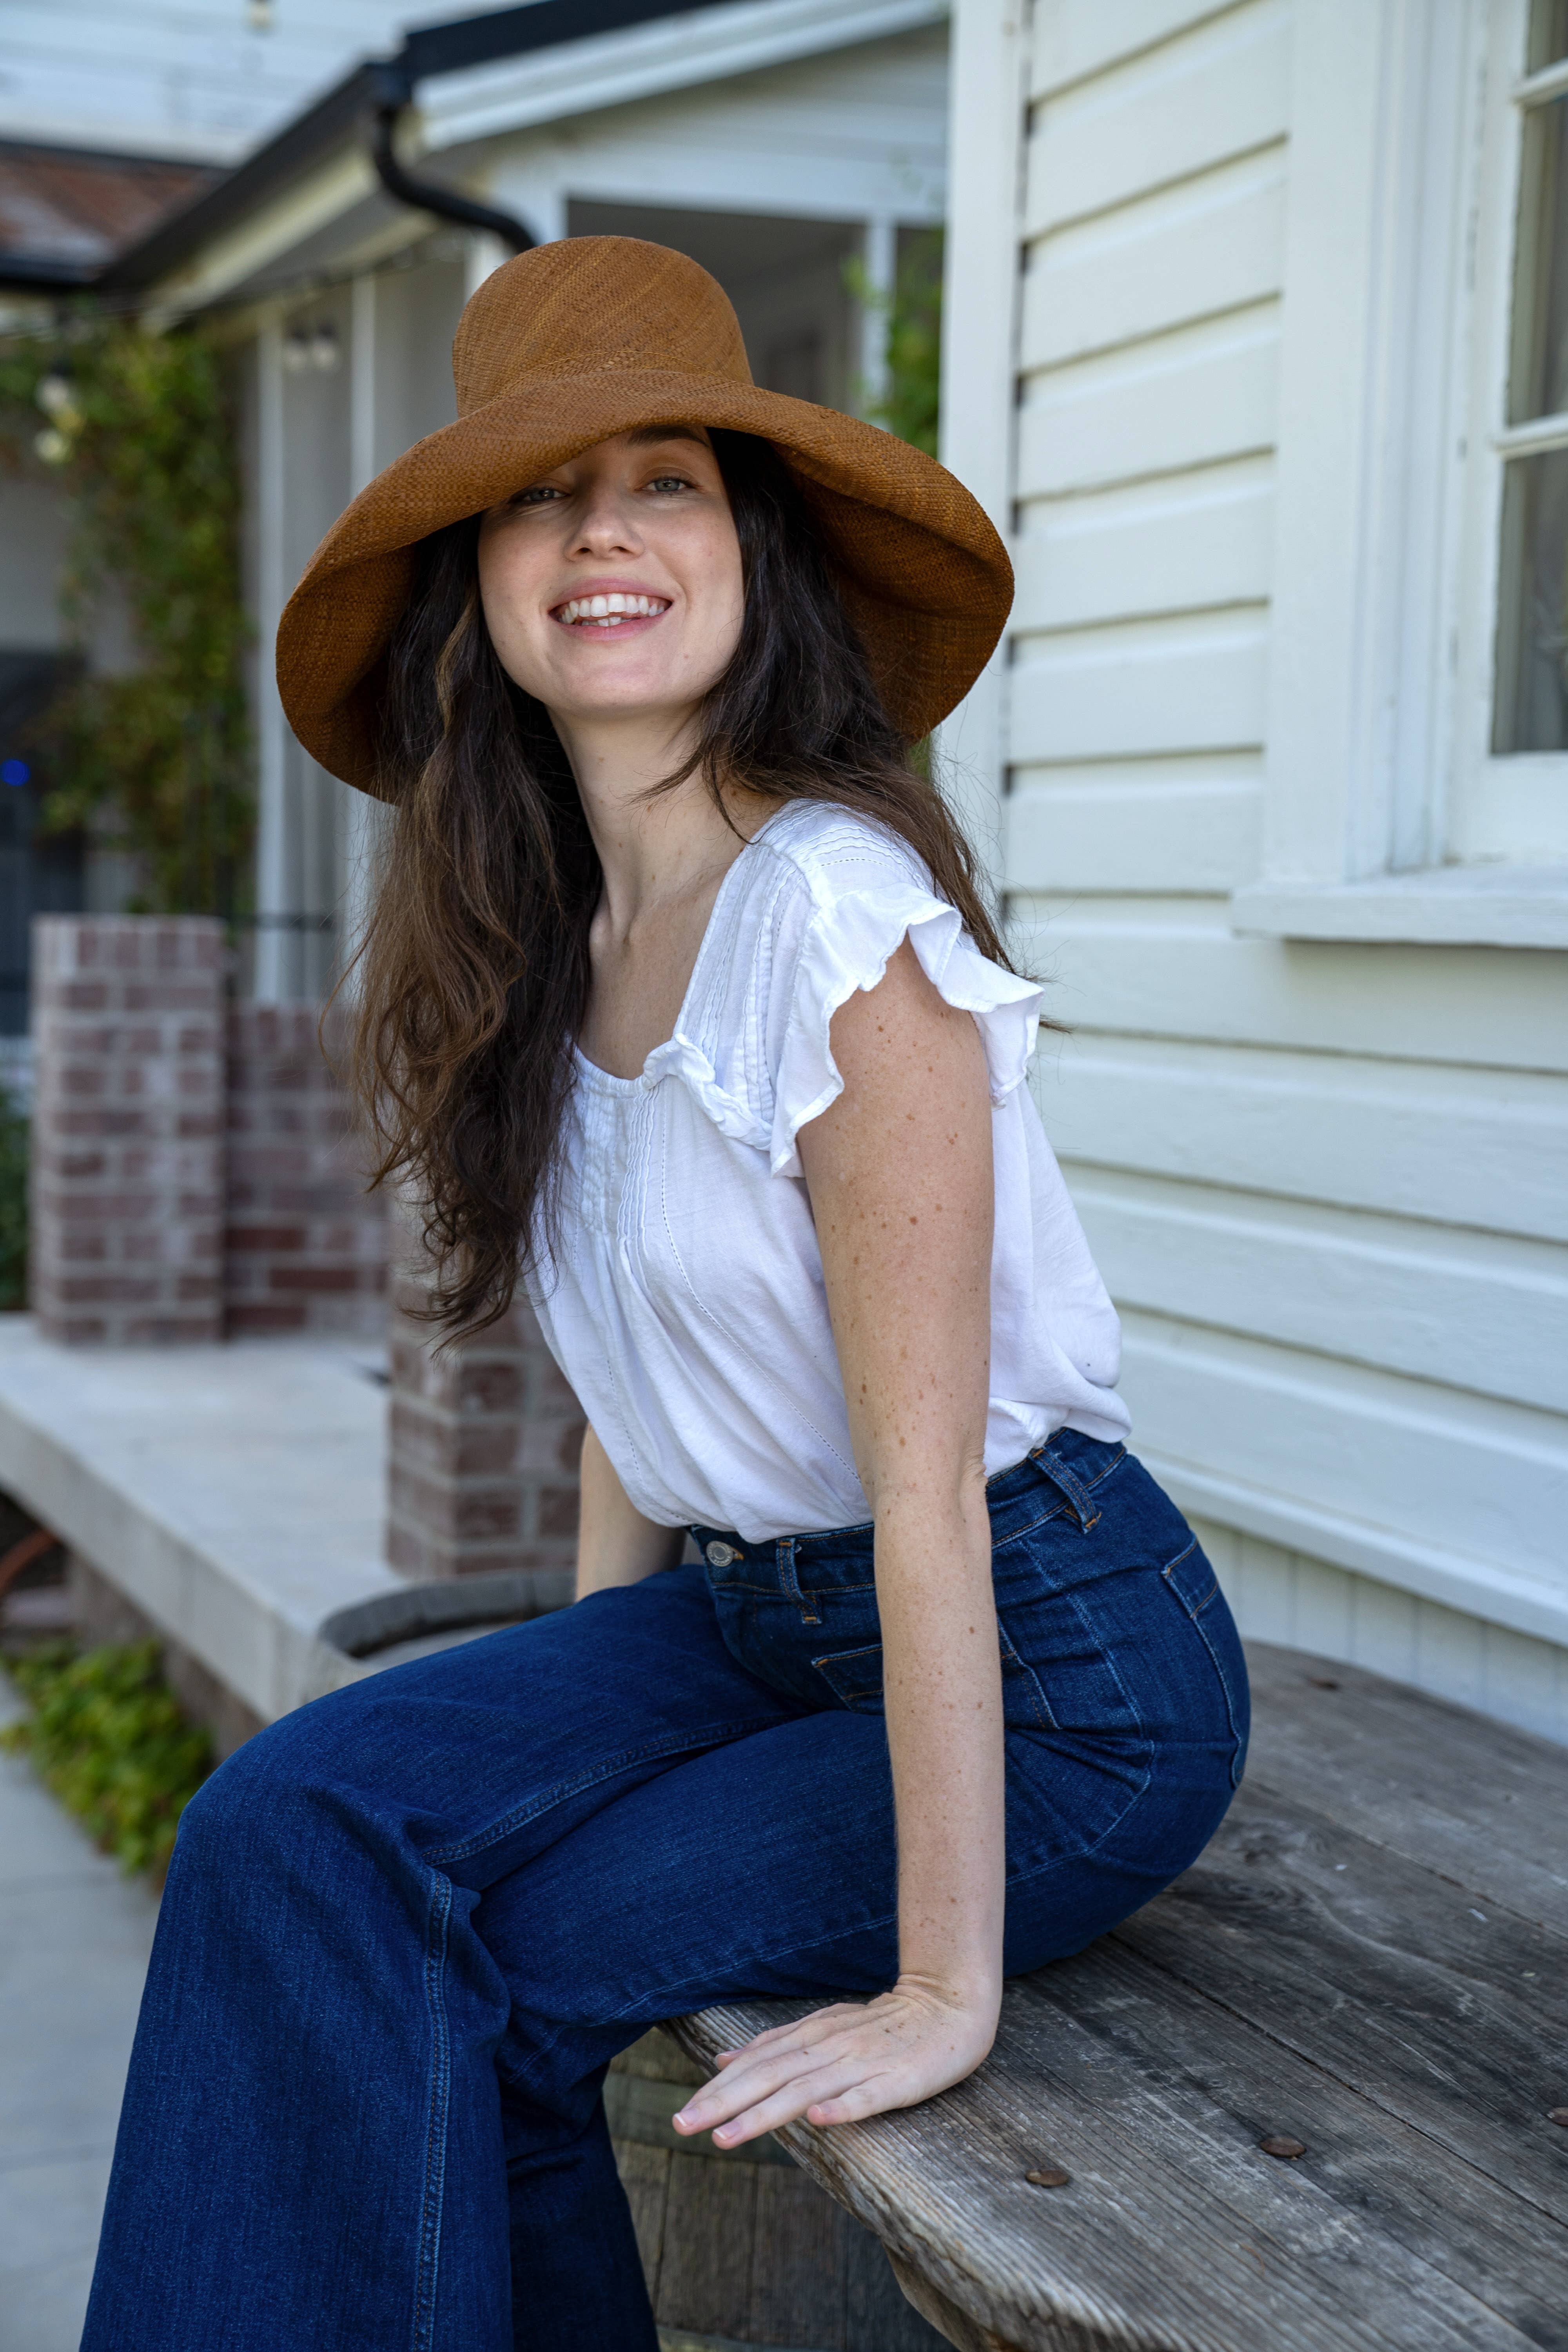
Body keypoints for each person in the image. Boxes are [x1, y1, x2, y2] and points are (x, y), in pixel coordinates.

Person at [81, 237, 1248, 2352]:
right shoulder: (547, 939)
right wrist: (582, 1702)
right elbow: (642, 1394)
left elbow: (925, 1502)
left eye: (668, 481)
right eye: (540, 491)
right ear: (482, 590)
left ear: (754, 558)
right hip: (752, 1619)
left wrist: (939, 1991)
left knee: (495, 1970)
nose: (601, 527)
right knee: (288, 1822)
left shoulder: (837, 923)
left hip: (1058, 1669)